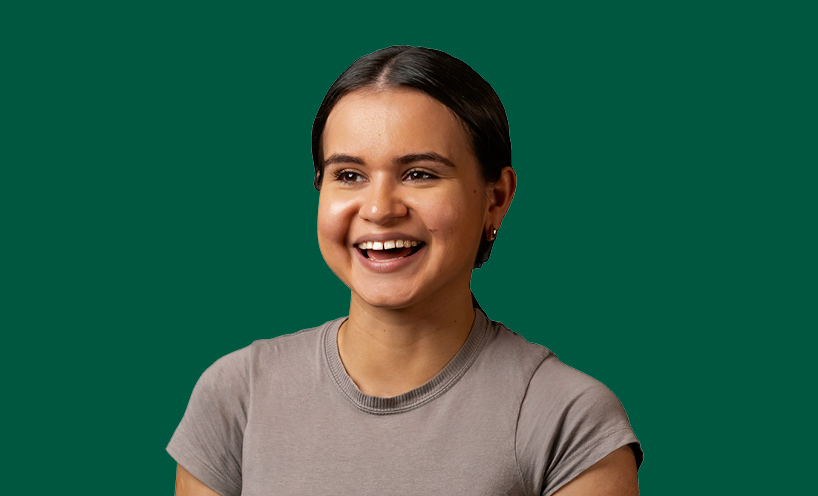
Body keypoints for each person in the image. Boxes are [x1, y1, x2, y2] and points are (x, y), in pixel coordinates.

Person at [169, 46, 642, 496]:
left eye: (420, 173)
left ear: (496, 199)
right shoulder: (236, 395)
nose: (378, 208)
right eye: (349, 175)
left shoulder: (567, 419)